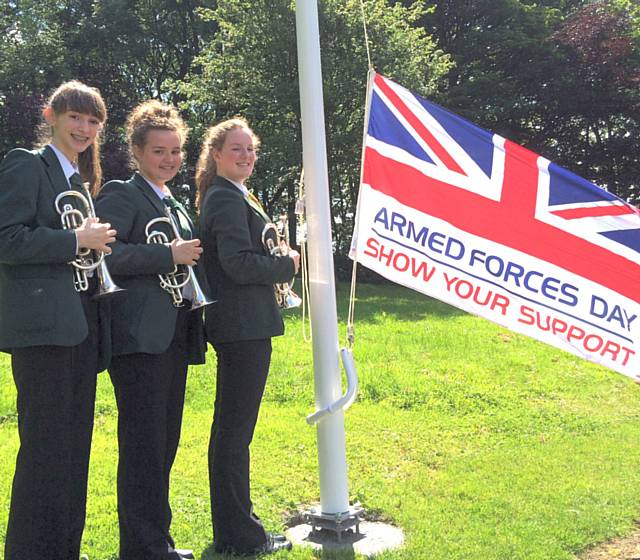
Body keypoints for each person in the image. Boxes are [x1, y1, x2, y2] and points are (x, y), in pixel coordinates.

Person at [0, 80, 115, 560]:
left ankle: (64, 548)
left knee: (73, 447)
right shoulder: (27, 164)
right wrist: (76, 242)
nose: (84, 128)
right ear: (51, 115)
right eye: (75, 117)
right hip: (43, 329)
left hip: (78, 325)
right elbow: (7, 239)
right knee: (45, 449)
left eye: (93, 122)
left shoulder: (76, 183)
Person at [95, 100, 206, 560]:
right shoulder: (122, 194)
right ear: (136, 151)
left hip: (173, 333)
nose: (170, 159)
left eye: (177, 151)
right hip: (140, 338)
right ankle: (142, 547)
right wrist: (168, 256)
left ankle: (157, 541)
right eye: (159, 151)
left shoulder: (171, 201)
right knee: (144, 446)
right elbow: (105, 254)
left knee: (164, 442)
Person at [196, 117, 299, 555]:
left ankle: (238, 529)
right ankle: (238, 535)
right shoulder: (223, 198)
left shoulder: (236, 195)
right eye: (236, 149)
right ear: (216, 155)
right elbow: (237, 263)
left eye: (250, 149)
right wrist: (285, 265)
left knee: (234, 432)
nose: (245, 156)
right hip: (240, 326)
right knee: (234, 434)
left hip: (246, 324)